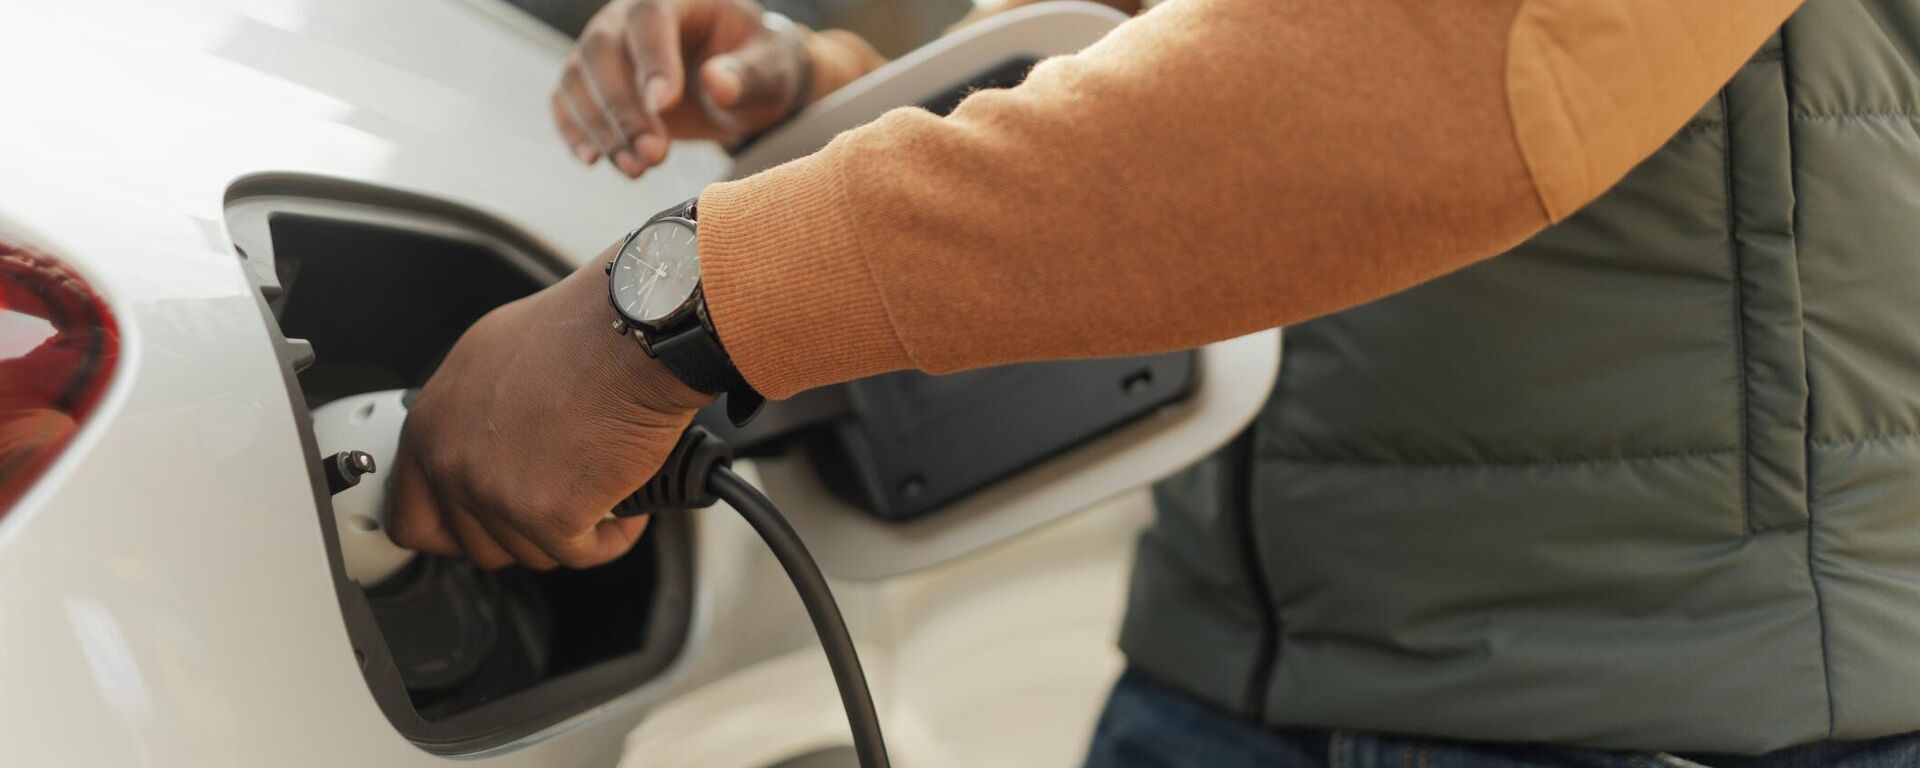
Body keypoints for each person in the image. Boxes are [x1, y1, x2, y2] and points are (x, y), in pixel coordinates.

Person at [385, 0, 1920, 764]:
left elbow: (1467, 71)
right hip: (1209, 693)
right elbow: (1187, 68)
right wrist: (836, 87)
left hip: (1675, 716)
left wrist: (681, 303)